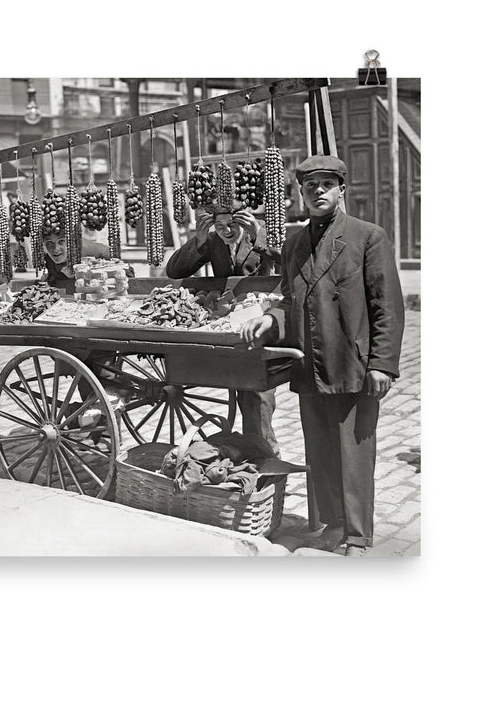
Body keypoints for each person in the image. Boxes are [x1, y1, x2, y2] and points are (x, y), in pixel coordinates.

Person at [241, 155, 404, 556]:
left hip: (353, 364)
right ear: (302, 192)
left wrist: (382, 364)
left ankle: (358, 537)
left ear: (341, 189)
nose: (318, 192)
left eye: (326, 184)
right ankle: (332, 526)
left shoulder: (369, 237)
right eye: (310, 186)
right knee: (320, 450)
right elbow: (288, 298)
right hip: (308, 364)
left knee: (354, 452)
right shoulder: (295, 241)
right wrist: (270, 320)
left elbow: (388, 306)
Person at [165, 201, 282, 457]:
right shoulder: (214, 240)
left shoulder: (260, 233)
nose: (226, 231)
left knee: (256, 390)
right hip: (227, 322)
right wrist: (199, 240)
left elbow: (288, 265)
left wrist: (257, 235)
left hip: (260, 319)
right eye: (219, 226)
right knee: (241, 384)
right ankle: (249, 450)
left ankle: (265, 453)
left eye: (232, 225)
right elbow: (174, 271)